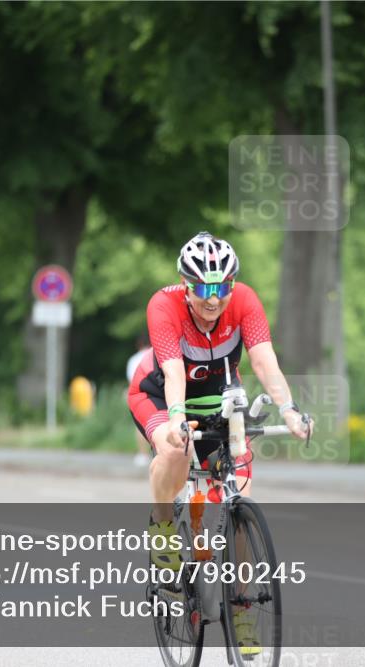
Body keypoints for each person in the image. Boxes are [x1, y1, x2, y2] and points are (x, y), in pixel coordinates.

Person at [127, 231, 312, 657]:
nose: (214, 299)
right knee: (174, 450)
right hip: (159, 395)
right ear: (185, 283)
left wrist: (289, 410)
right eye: (203, 288)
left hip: (220, 398)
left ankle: (241, 610)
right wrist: (175, 420)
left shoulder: (245, 301)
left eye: (223, 287)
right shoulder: (164, 305)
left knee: (239, 498)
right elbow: (173, 373)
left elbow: (265, 361)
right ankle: (163, 530)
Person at [126, 333, 153, 468]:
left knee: (140, 427)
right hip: (158, 395)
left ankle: (143, 454)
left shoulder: (133, 359)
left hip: (141, 396)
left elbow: (132, 380)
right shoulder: (155, 355)